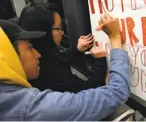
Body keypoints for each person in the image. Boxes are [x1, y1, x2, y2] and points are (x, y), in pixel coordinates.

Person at [0, 13, 130, 120]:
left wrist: (76, 50)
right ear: (9, 56)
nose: (37, 54)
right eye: (29, 48)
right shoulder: (31, 108)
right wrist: (115, 37)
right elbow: (117, 92)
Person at [18, 3, 108, 93]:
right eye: (59, 28)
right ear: (44, 32)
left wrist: (77, 49)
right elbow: (90, 92)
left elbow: (59, 56)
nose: (62, 32)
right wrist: (100, 62)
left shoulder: (37, 53)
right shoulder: (50, 72)